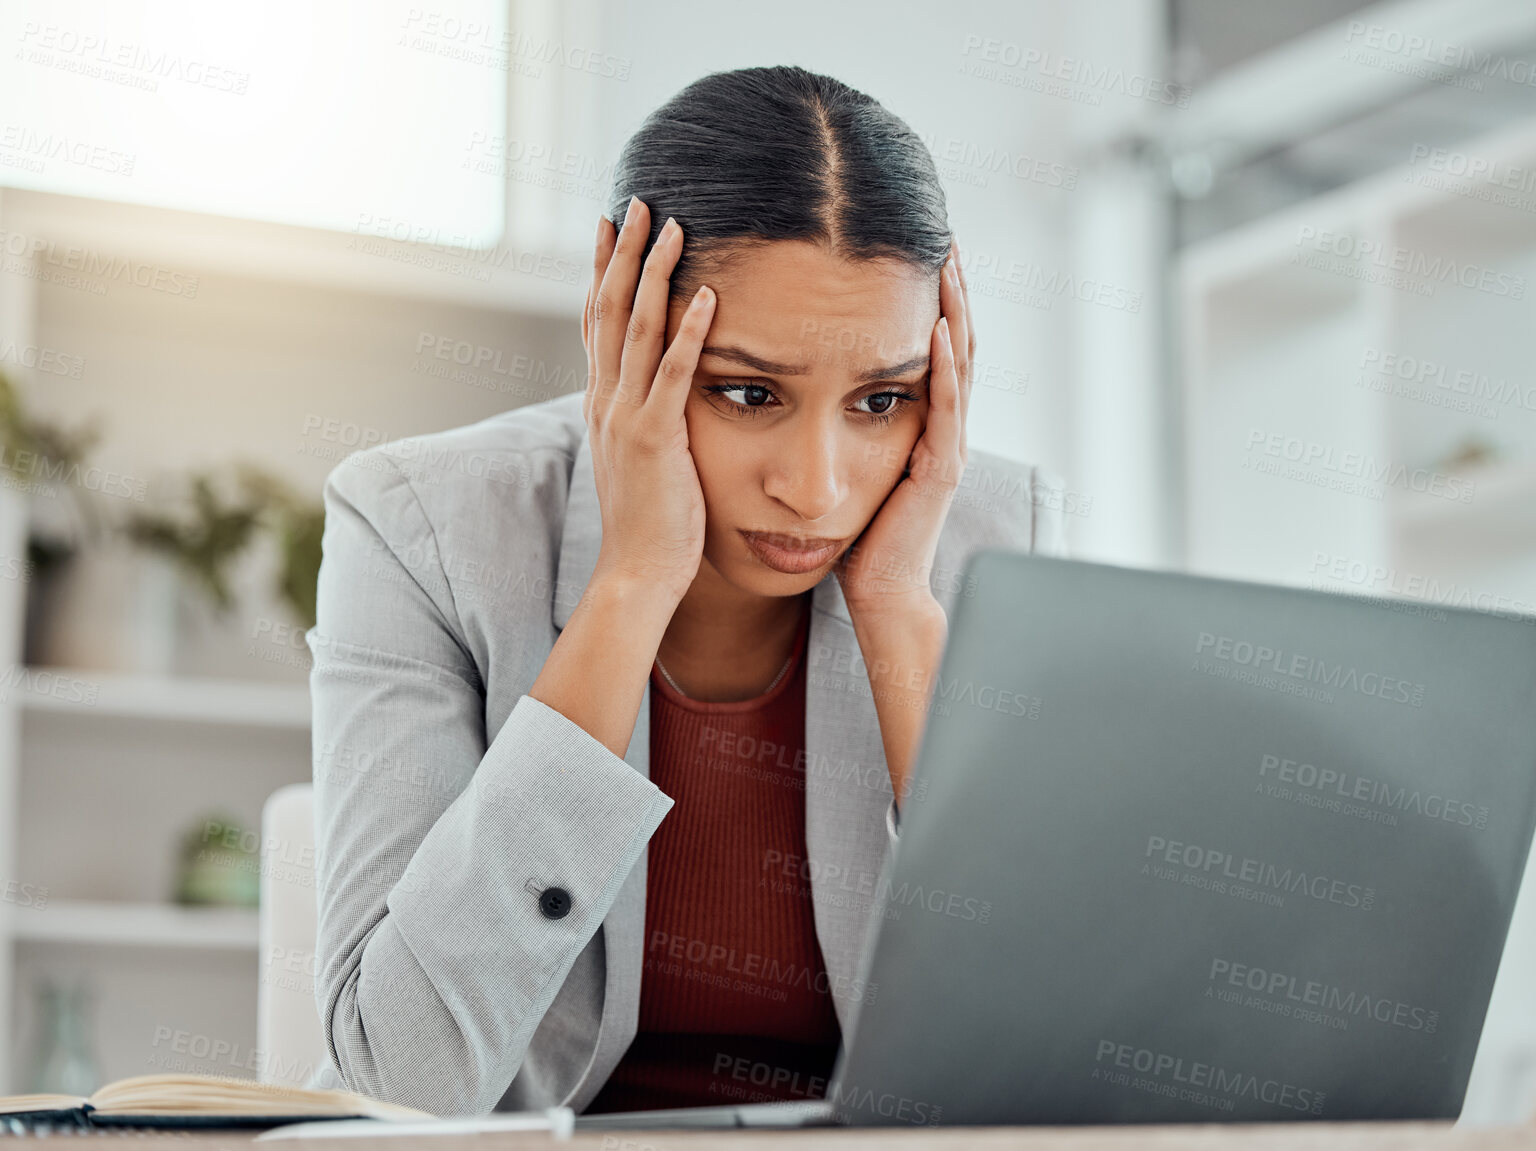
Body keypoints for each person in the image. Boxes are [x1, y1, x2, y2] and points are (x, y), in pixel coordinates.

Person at [305, 64, 1070, 1117]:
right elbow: (397, 1087)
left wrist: (897, 608)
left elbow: (1055, 1083)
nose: (815, 487)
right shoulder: (423, 527)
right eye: (747, 392)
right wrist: (631, 584)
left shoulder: (991, 534)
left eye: (880, 398)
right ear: (622, 327)